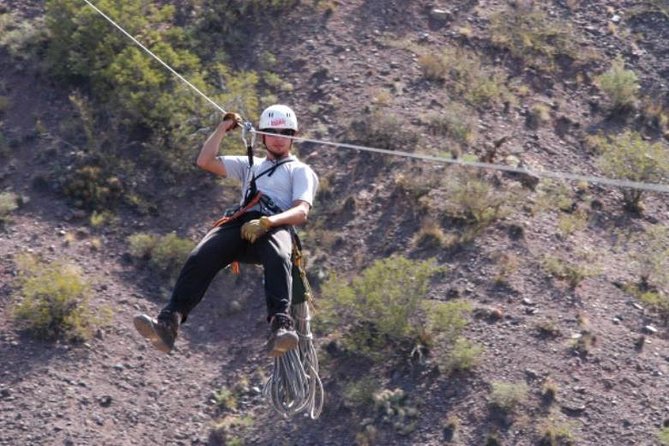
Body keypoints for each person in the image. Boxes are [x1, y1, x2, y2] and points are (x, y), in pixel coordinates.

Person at [133, 104, 319, 357]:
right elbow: (205, 161)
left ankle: (281, 324)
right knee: (203, 254)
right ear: (262, 136)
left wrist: (268, 223)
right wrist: (222, 129)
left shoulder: (300, 171)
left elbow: (301, 212)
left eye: (285, 133)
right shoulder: (250, 165)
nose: (278, 139)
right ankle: (169, 322)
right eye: (272, 133)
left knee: (278, 256)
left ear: (293, 136)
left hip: (276, 225)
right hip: (242, 223)